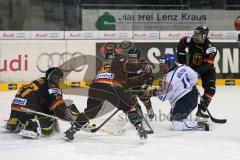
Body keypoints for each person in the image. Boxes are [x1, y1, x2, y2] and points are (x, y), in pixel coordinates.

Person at [65, 49, 152, 140]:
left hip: (95, 88)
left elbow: (97, 80)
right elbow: (134, 68)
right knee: (129, 108)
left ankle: (73, 129)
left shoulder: (100, 67)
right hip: (113, 87)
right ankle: (140, 128)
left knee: (90, 112)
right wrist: (143, 67)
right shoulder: (120, 62)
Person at [5, 67, 80, 139]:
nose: (60, 81)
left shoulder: (38, 82)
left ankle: (15, 122)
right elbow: (59, 108)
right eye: (60, 78)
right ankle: (32, 126)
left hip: (15, 111)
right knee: (51, 120)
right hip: (27, 111)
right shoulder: (52, 85)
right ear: (56, 78)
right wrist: (72, 118)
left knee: (48, 109)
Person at [148, 54, 209, 131]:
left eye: (163, 66)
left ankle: (198, 125)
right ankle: (182, 118)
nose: (161, 67)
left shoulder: (169, 78)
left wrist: (151, 92)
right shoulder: (182, 66)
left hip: (184, 101)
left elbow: (163, 97)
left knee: (176, 124)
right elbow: (194, 77)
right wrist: (189, 86)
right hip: (191, 95)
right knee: (173, 116)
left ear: (169, 65)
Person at [176, 25, 217, 122]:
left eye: (198, 35)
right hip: (192, 68)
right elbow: (182, 41)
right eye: (195, 34)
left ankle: (201, 111)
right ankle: (179, 112)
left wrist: (194, 73)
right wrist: (180, 53)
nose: (195, 36)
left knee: (211, 89)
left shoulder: (211, 48)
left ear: (205, 36)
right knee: (186, 90)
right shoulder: (190, 40)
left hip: (207, 70)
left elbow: (207, 65)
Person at [126, 48, 155, 119]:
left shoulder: (145, 64)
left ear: (139, 58)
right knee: (131, 99)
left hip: (142, 83)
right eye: (130, 58)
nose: (132, 60)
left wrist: (146, 86)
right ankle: (137, 109)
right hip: (130, 84)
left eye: (134, 58)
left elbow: (150, 77)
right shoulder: (125, 64)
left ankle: (148, 106)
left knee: (144, 96)